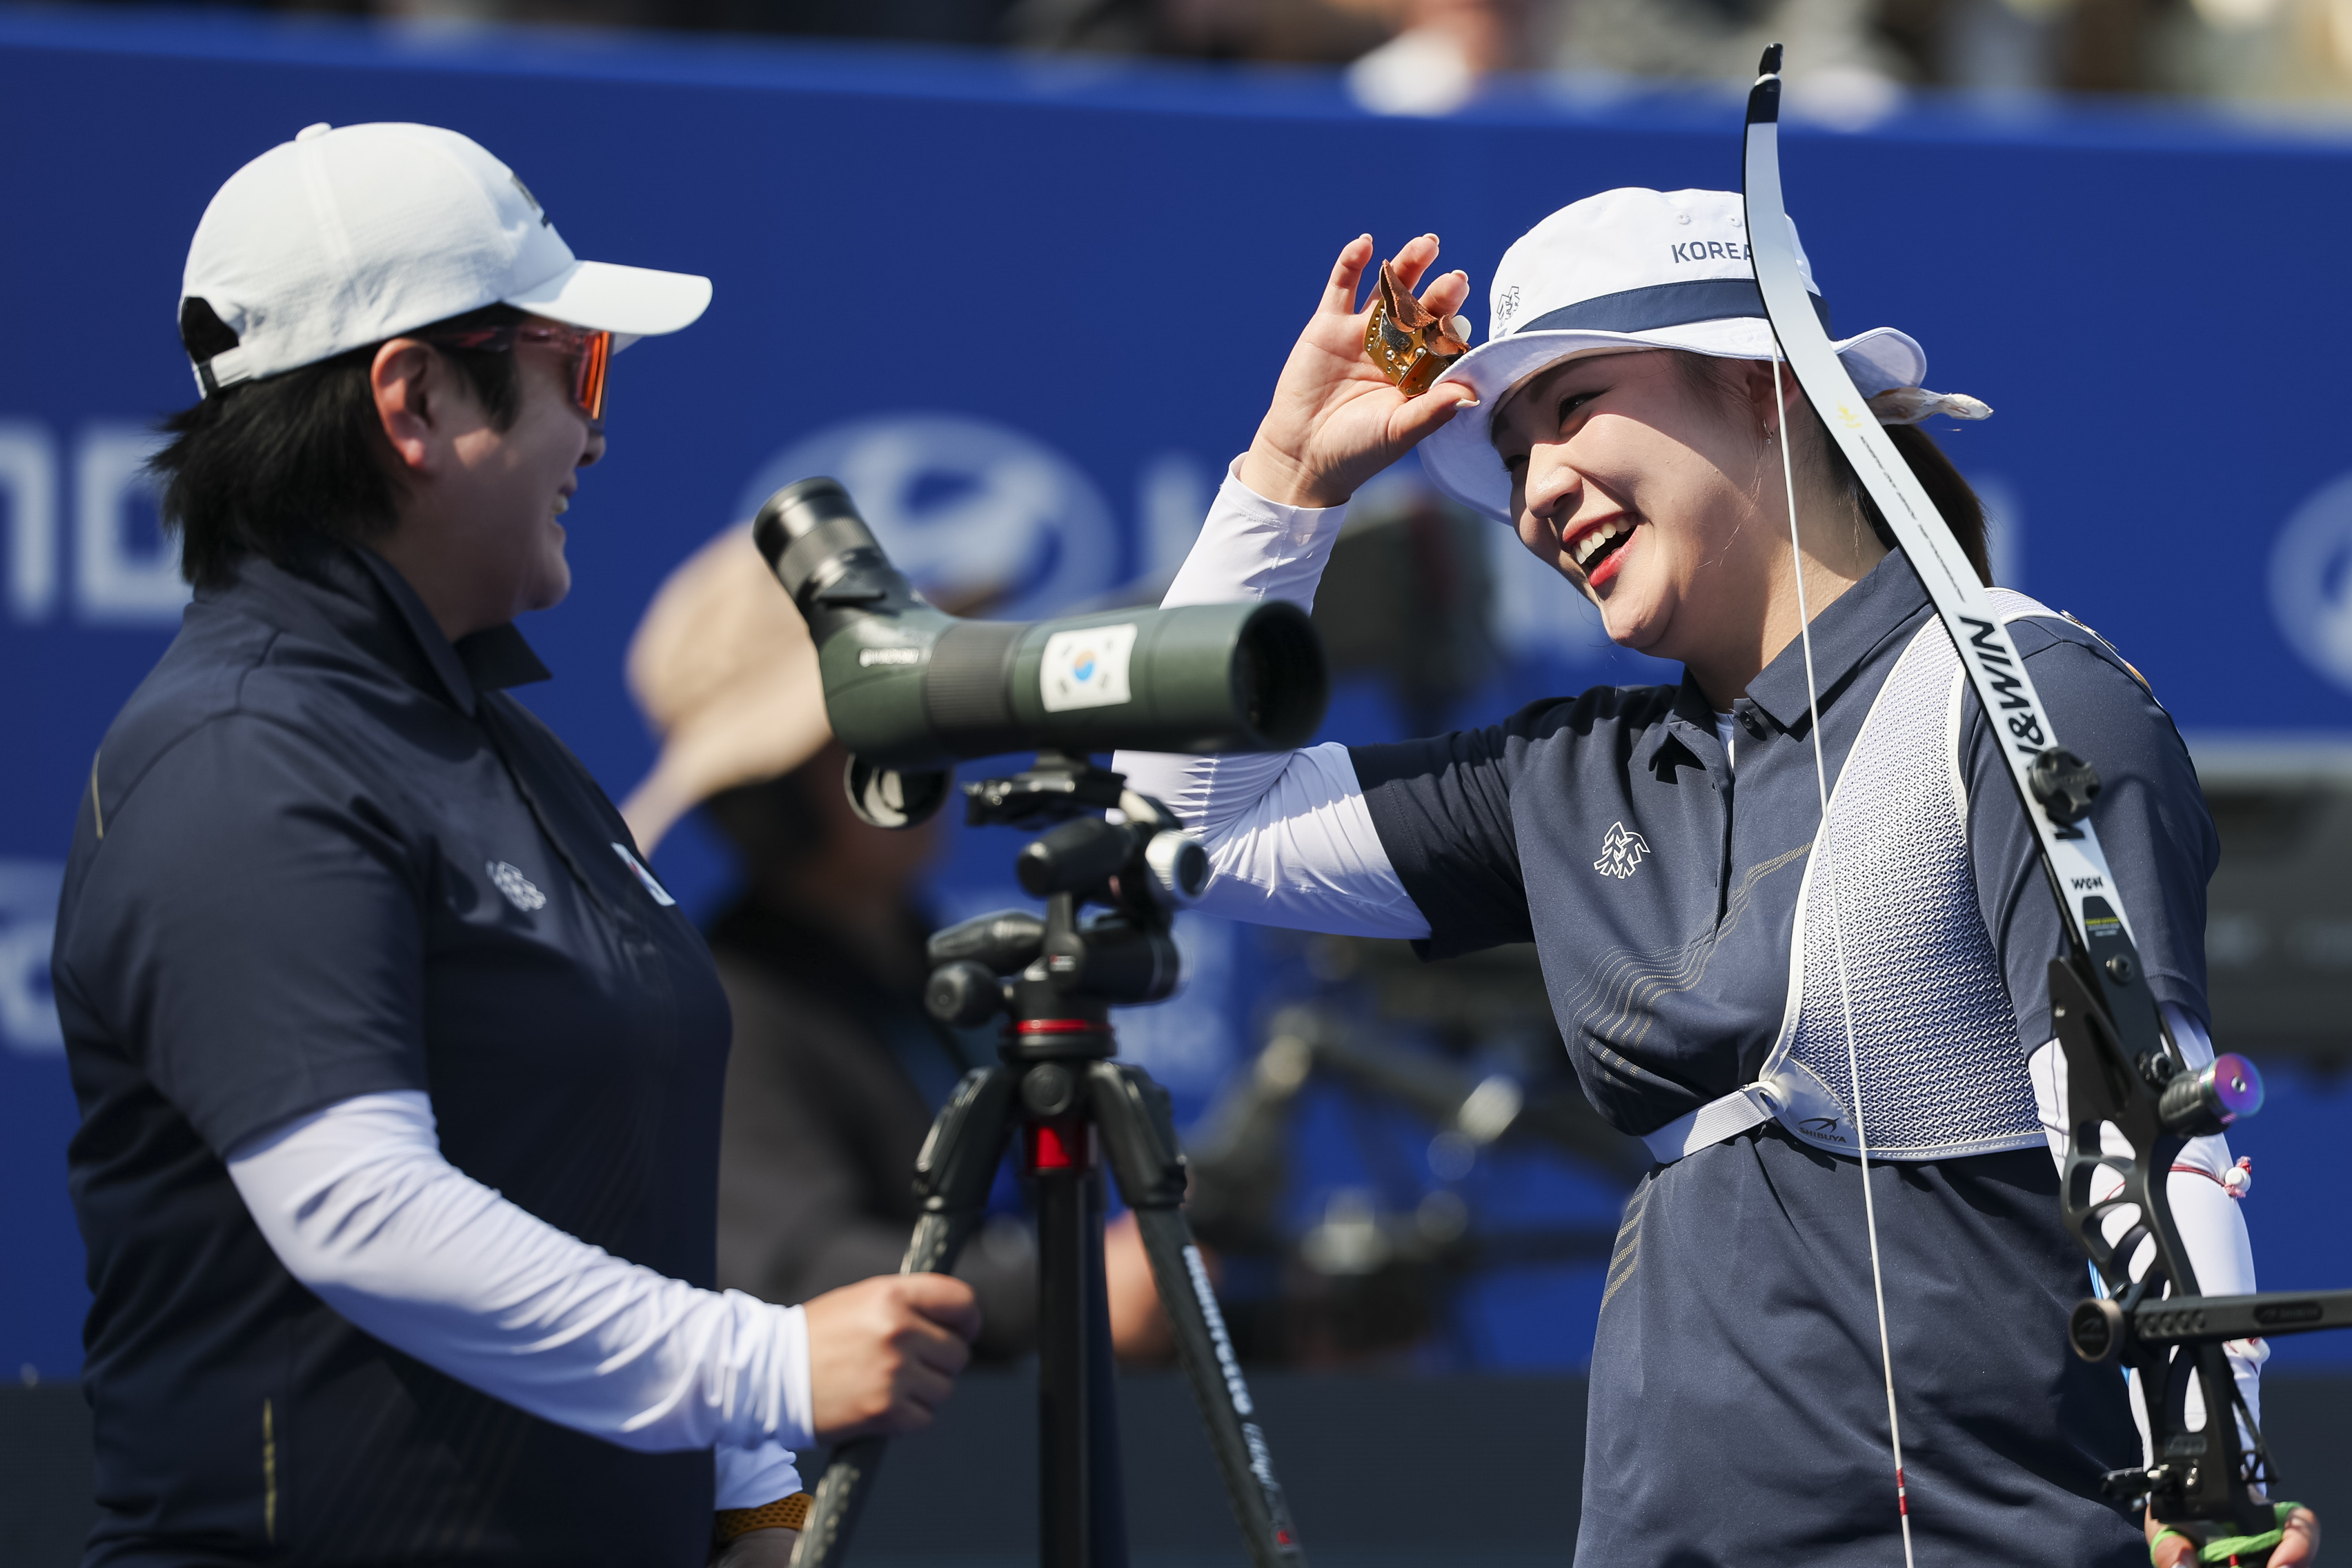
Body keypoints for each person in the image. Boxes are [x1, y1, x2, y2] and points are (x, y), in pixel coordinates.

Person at [1113, 192, 2321, 1567]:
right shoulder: (1574, 774)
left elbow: (2148, 1136)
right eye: (1509, 455)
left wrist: (2213, 1476)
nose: (1533, 492)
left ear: (1763, 386)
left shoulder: (2016, 691)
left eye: (1570, 407)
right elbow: (1180, 819)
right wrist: (1288, 475)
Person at [51, 122, 980, 1568]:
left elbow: (614, 1193)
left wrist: (750, 1491)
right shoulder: (240, 750)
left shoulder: (508, 752)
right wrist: (762, 1367)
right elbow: (356, 1205)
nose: (598, 431)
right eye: (576, 367)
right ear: (414, 398)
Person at [617, 526, 1175, 1364]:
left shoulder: (940, 959)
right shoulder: (724, 1007)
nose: (923, 743)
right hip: (846, 1490)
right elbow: (800, 1272)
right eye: (866, 720)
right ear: (772, 795)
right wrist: (1067, 1287)